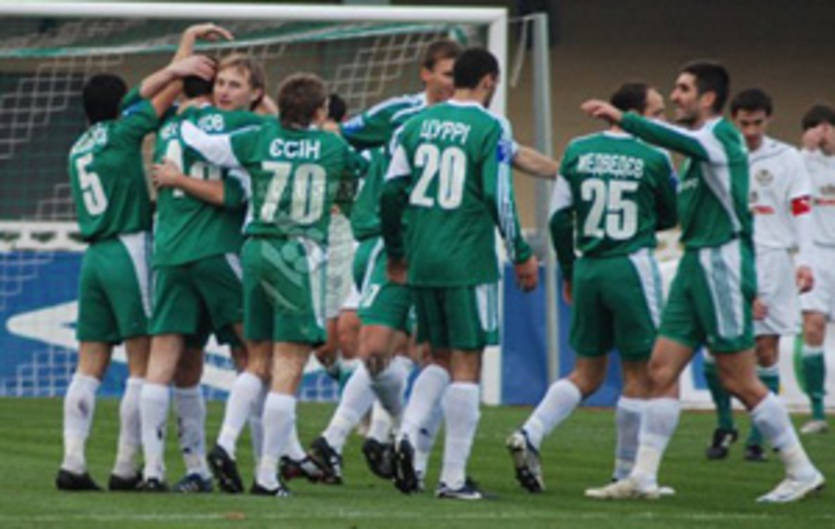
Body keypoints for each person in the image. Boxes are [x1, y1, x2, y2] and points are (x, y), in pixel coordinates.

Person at [581, 60, 824, 503]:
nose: (674, 96)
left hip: (721, 262)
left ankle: (800, 469)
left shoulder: (720, 136)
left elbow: (675, 138)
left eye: (683, 89)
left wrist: (624, 118)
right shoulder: (698, 149)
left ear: (707, 98)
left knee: (738, 377)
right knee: (660, 369)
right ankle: (643, 476)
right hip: (695, 261)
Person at [181, 72, 368, 496]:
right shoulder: (333, 146)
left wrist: (189, 116)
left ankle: (226, 442)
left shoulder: (258, 137)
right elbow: (363, 176)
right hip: (297, 254)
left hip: (256, 248)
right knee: (288, 367)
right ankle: (267, 474)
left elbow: (203, 144)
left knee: (257, 360)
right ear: (320, 112)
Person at [381, 47, 538, 500]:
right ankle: (452, 478)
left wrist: (397, 251)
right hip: (467, 259)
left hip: (423, 256)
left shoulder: (414, 124)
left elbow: (391, 193)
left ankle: (407, 434)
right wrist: (520, 251)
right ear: (489, 81)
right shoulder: (491, 126)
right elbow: (498, 195)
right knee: (467, 362)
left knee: (436, 356)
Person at [507, 82, 677, 494]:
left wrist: (568, 270)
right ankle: (625, 473)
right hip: (631, 266)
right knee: (641, 372)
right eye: (656, 112)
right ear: (635, 114)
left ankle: (531, 432)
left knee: (586, 372)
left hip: (588, 267)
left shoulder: (578, 150)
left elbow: (559, 219)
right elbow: (672, 215)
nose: (662, 120)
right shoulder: (655, 155)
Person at [56, 54, 214, 491]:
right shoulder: (123, 133)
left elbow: (139, 96)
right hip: (128, 248)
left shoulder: (79, 145)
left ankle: (72, 461)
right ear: (120, 105)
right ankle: (126, 466)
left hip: (93, 255)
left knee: (88, 366)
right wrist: (181, 66)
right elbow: (158, 97)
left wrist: (176, 64)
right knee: (143, 364)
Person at [703, 88, 815, 461]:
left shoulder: (787, 158)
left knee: (766, 349)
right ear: (733, 120)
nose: (750, 131)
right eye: (744, 123)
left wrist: (804, 259)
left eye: (757, 123)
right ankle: (724, 424)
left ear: (768, 120)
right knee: (715, 347)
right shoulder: (720, 153)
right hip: (728, 254)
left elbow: (801, 209)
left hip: (773, 258)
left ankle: (757, 436)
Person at [797, 103, 835, 434]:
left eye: (828, 127)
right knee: (813, 327)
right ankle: (817, 412)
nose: (823, 135)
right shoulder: (800, 164)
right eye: (816, 128)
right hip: (815, 254)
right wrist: (807, 152)